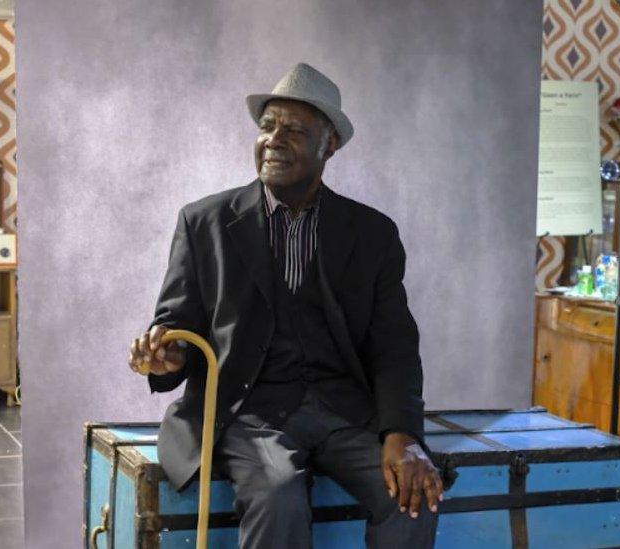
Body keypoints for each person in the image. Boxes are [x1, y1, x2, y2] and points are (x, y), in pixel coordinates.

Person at [127, 62, 441, 548]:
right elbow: (177, 324)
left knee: (413, 494)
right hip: (248, 411)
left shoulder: (372, 233)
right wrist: (168, 353)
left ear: (329, 145)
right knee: (277, 494)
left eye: (294, 130)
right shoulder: (204, 221)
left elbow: (395, 346)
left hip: (343, 412)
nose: (274, 139)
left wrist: (403, 434)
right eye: (267, 126)